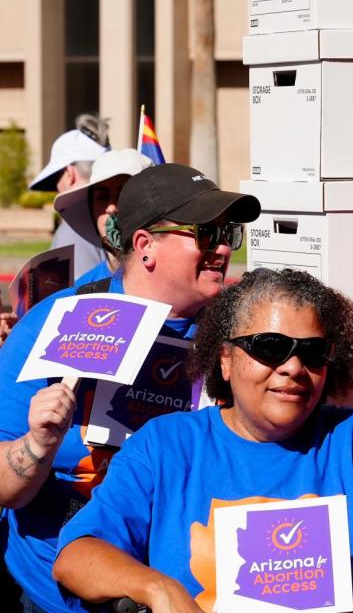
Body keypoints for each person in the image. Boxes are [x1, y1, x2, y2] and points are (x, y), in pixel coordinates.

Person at [53, 268, 353, 613]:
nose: (292, 367)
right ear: (226, 359)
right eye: (269, 347)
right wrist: (156, 589)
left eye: (312, 352)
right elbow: (76, 556)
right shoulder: (164, 446)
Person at [0, 163, 260, 613]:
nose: (222, 248)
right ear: (145, 246)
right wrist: (39, 444)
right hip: (63, 593)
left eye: (228, 233)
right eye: (205, 233)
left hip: (196, 589)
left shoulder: (240, 336)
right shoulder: (56, 324)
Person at [51, 148, 153, 285]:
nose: (112, 208)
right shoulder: (79, 294)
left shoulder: (183, 281)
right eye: (101, 197)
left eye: (124, 195)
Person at [32, 115, 111, 277]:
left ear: (69, 174)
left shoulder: (75, 229)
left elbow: (78, 299)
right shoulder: (120, 216)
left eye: (56, 178)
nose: (56, 187)